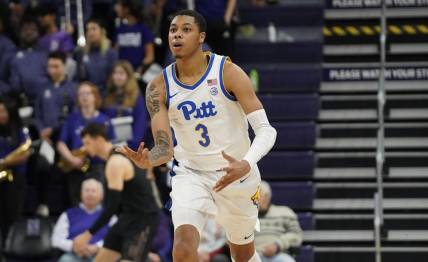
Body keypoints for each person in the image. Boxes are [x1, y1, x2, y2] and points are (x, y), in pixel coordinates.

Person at [118, 10, 277, 262]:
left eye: (185, 29)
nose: (177, 35)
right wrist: (149, 160)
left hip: (236, 173)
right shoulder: (157, 87)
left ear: (201, 37)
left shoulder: (227, 72)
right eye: (172, 30)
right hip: (191, 173)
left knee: (242, 255)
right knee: (182, 249)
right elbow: (164, 148)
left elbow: (267, 131)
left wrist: (246, 163)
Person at [74, 123, 161, 262]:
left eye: (88, 143)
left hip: (143, 219)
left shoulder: (115, 162)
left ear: (99, 140)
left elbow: (111, 207)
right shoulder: (118, 154)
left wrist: (87, 235)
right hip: (127, 217)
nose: (85, 148)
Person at [56, 82, 115, 206]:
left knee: (98, 202)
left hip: (97, 166)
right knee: (76, 202)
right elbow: (61, 143)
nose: (84, 97)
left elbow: (112, 144)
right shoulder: (72, 119)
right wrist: (72, 159)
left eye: (87, 93)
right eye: (81, 94)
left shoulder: (104, 120)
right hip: (76, 166)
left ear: (95, 96)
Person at [52, 178, 117, 262]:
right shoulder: (68, 214)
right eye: (87, 190)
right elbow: (56, 239)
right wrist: (74, 246)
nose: (90, 194)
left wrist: (97, 247)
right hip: (74, 256)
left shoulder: (109, 216)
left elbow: (116, 238)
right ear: (81, 194)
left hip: (101, 255)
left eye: (93, 191)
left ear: (102, 195)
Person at [0, 97, 30, 239]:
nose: (1, 115)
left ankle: (13, 249)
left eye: (4, 111)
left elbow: (25, 154)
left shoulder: (19, 130)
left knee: (14, 217)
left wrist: (5, 162)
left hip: (15, 178)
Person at [103, 60, 148, 150]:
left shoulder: (136, 97)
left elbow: (140, 123)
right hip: (111, 145)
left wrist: (131, 146)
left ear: (128, 76)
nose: (117, 76)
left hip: (131, 147)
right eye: (115, 73)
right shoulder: (107, 96)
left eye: (121, 73)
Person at [34, 51, 77, 144]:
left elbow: (74, 114)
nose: (52, 70)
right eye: (50, 66)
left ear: (64, 66)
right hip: (46, 137)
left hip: (66, 136)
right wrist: (41, 130)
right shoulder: (42, 88)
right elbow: (37, 113)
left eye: (56, 66)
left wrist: (53, 129)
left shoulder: (73, 88)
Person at [256, 181, 303, 262]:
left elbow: (297, 235)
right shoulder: (245, 217)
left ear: (268, 197)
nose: (257, 200)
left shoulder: (285, 213)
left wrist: (278, 245)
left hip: (278, 255)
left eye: (260, 196)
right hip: (251, 256)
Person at [75, 18, 117, 96]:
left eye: (94, 29)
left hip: (106, 95)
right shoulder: (81, 53)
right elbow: (79, 77)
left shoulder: (110, 53)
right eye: (88, 30)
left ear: (102, 31)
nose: (90, 33)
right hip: (87, 95)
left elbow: (113, 78)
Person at [114, 0, 155, 73]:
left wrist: (141, 67)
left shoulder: (143, 29)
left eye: (119, 5)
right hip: (121, 73)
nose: (116, 8)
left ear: (126, 9)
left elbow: (150, 56)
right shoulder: (119, 29)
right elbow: (115, 52)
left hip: (138, 72)